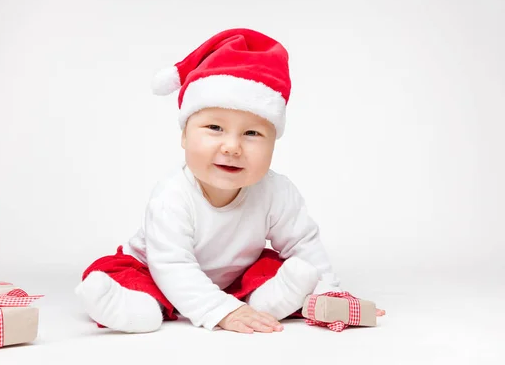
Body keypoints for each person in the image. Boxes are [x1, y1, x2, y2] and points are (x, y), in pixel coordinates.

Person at [75, 28, 385, 334]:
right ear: (184, 135)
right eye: (214, 127)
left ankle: (266, 301)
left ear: (274, 143)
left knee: (276, 268)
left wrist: (329, 291)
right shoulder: (172, 196)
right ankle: (133, 307)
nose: (232, 147)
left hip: (232, 277)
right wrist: (220, 310)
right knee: (126, 275)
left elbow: (303, 243)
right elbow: (172, 265)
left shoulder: (276, 192)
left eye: (252, 133)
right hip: (156, 271)